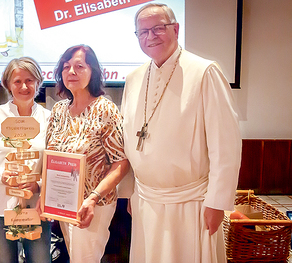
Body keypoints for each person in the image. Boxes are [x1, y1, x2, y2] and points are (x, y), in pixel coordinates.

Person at [121, 3, 242, 263]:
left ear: (176, 29)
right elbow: (130, 141)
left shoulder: (204, 72)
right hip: (146, 200)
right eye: (142, 32)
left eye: (158, 29)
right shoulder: (133, 78)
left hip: (191, 203)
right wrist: (131, 191)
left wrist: (217, 203)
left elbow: (226, 145)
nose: (150, 37)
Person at [45, 44, 130, 263]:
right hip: (64, 203)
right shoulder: (59, 110)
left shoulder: (105, 110)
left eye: (79, 66)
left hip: (93, 206)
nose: (71, 72)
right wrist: (45, 194)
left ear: (92, 71)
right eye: (66, 67)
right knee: (75, 257)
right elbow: (50, 159)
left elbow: (121, 163)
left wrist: (92, 199)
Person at [0, 57, 52, 263]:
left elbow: (54, 164)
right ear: (8, 84)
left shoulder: (49, 118)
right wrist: (0, 175)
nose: (24, 86)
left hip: (36, 205)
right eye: (18, 81)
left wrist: (39, 184)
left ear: (38, 82)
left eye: (29, 80)